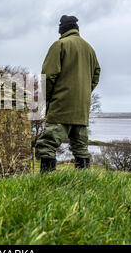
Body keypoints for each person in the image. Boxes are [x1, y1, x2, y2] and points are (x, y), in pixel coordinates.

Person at [35, 15, 101, 173]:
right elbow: (96, 74)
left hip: (61, 105)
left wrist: (50, 98)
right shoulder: (89, 49)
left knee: (47, 144)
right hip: (82, 108)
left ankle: (47, 182)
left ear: (62, 29)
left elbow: (48, 76)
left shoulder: (60, 45)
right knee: (81, 147)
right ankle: (83, 182)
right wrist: (84, 92)